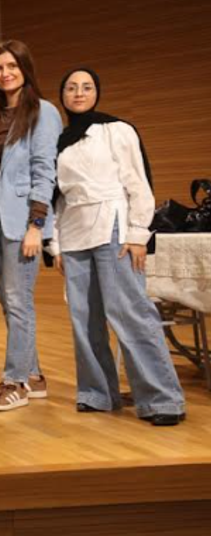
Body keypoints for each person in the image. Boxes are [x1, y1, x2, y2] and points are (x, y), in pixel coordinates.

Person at [50, 68, 185, 426]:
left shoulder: (116, 130)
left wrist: (138, 233)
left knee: (129, 312)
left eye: (87, 87)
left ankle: (162, 399)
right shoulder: (59, 142)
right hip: (74, 232)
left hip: (113, 225)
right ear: (62, 95)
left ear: (97, 92)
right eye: (71, 88)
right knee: (84, 319)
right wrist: (56, 245)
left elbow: (138, 182)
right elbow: (57, 199)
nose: (79, 93)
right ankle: (97, 393)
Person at [0, 40, 62, 412]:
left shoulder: (43, 111)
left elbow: (45, 172)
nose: (5, 73)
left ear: (25, 69)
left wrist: (36, 226)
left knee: (18, 301)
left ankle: (15, 381)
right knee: (9, 302)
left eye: (12, 66)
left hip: (23, 216)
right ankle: (35, 374)